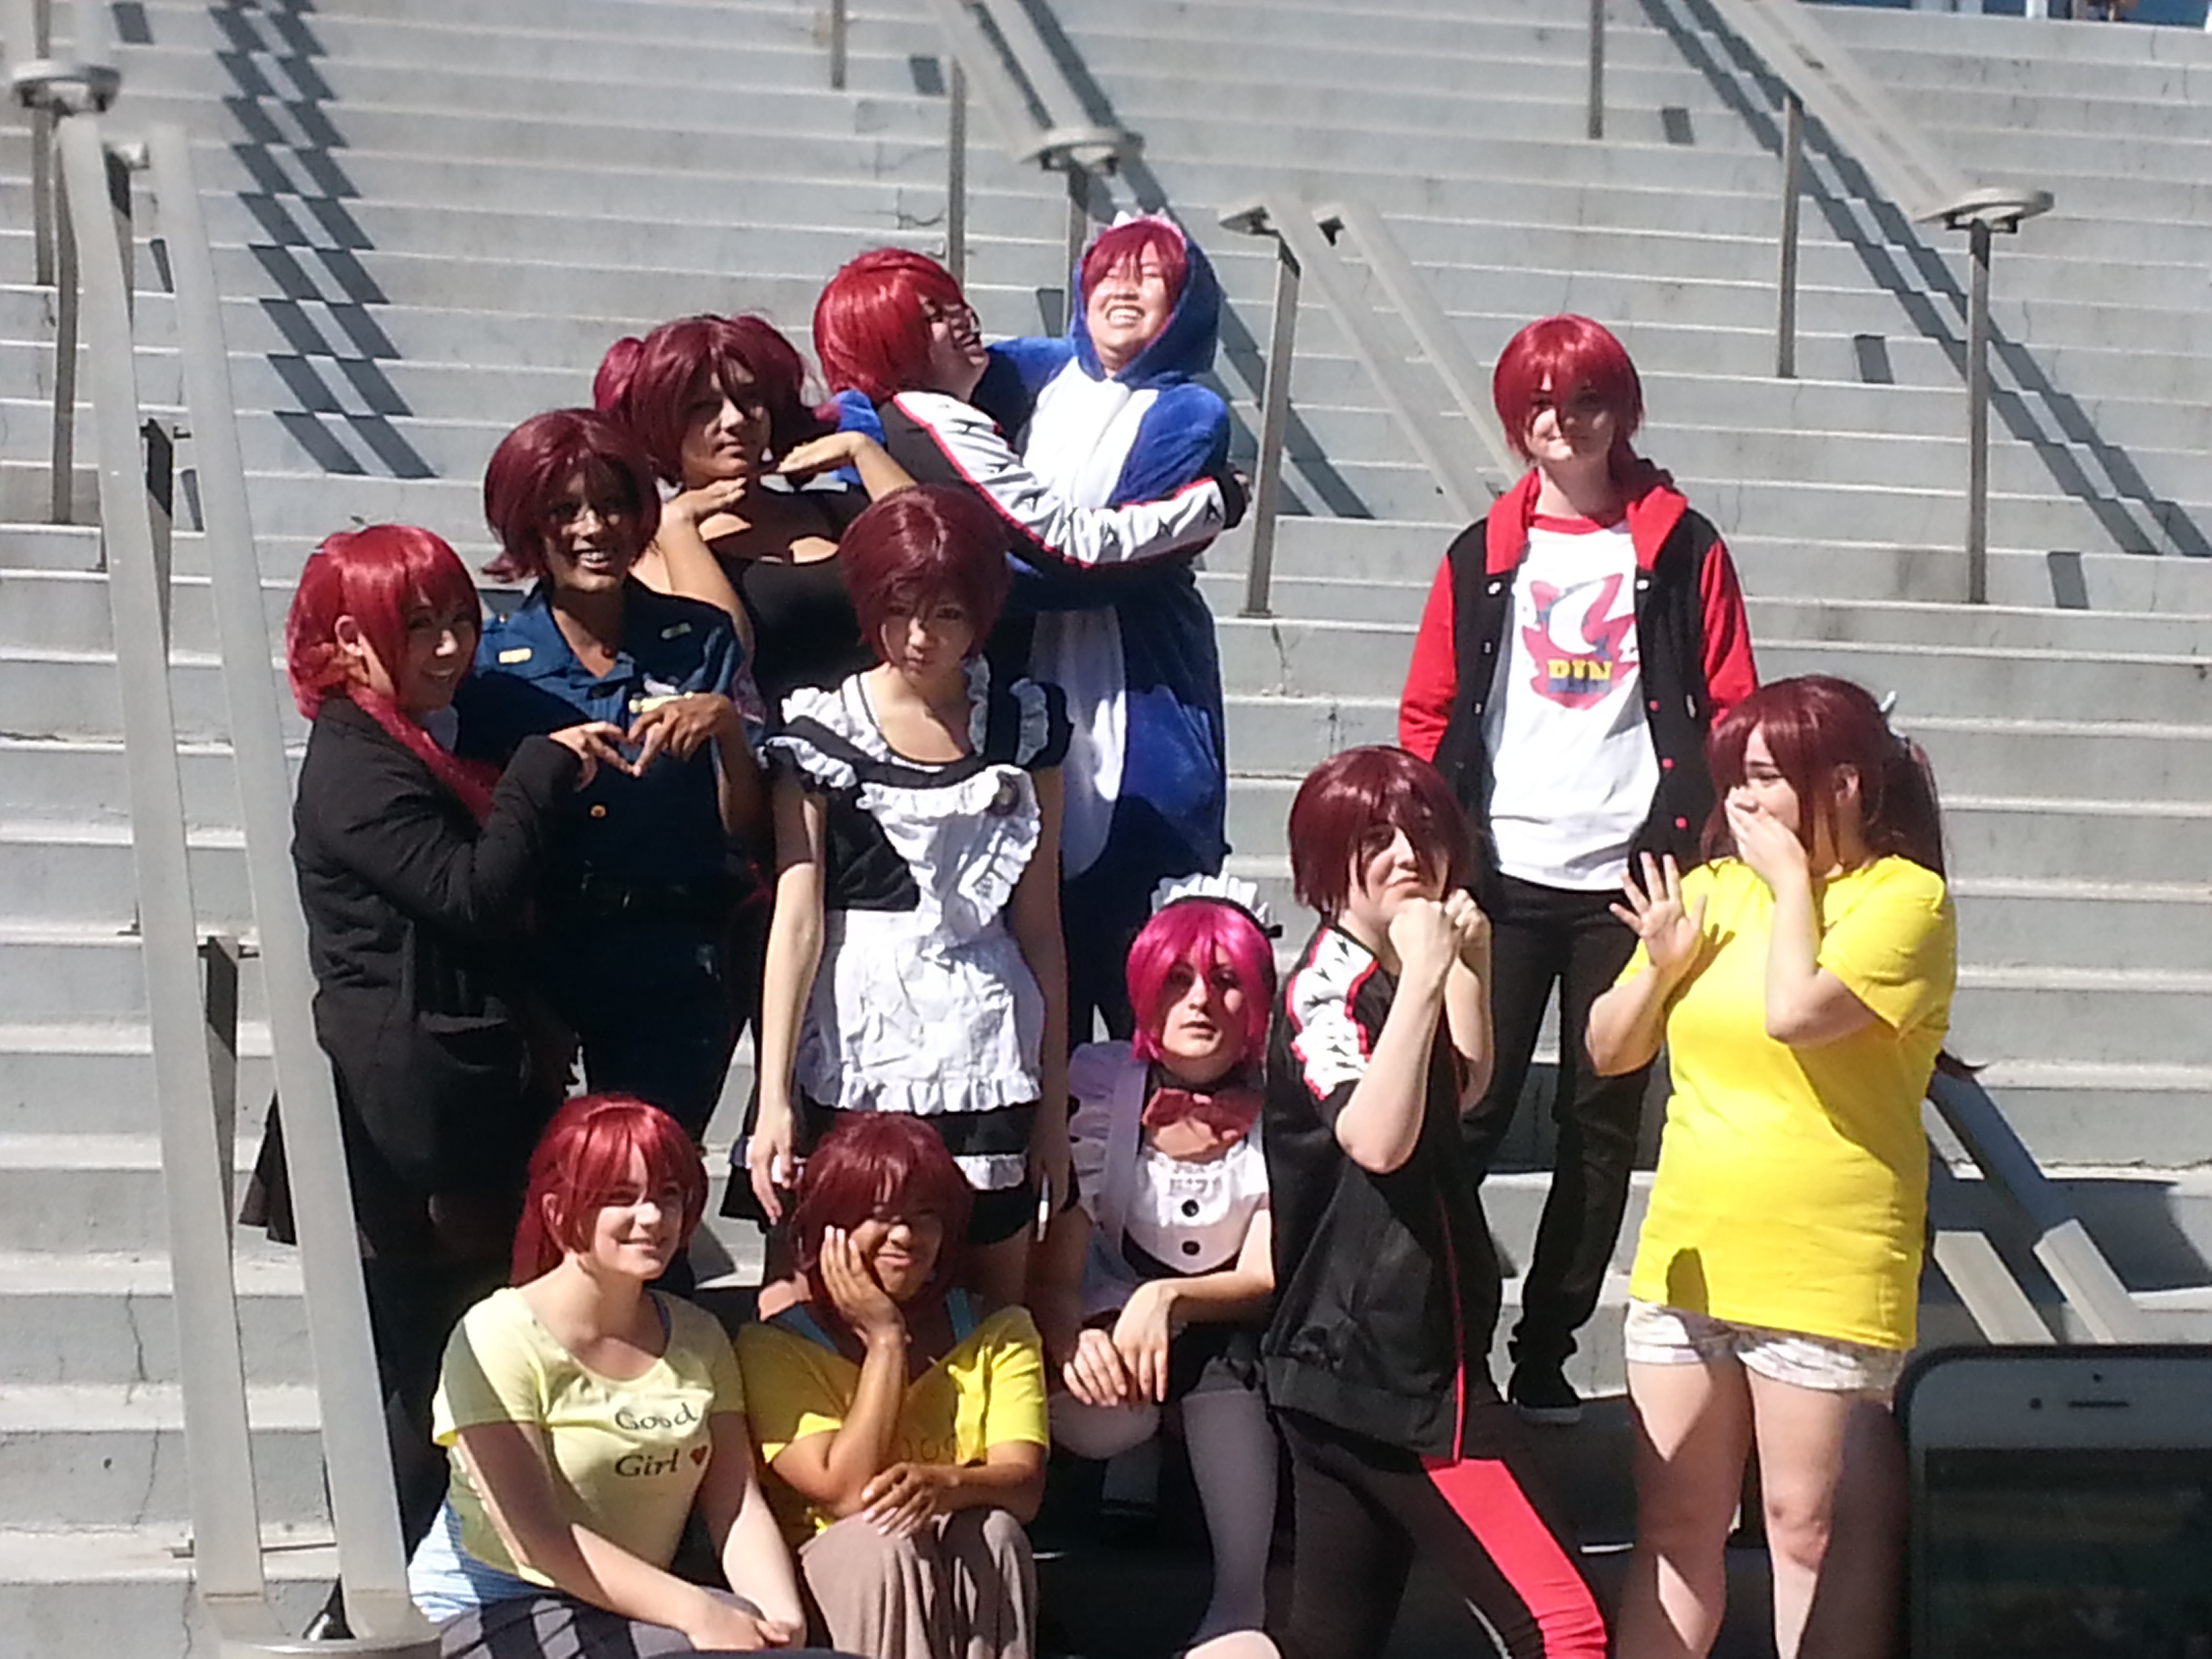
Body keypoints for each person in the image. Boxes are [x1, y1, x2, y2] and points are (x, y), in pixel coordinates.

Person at [1397, 313, 1756, 1425]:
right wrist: (1436, 844)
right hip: (1499, 871)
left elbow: (1731, 700)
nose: (1563, 423)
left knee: (1599, 1124)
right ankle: (1444, 1334)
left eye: (1587, 399)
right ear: (1516, 419)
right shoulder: (1480, 552)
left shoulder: (1682, 545)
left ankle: (1544, 1349)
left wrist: (1699, 837)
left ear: (1621, 409)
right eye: (1540, 404)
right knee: (1466, 1104)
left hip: (1631, 877)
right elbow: (1429, 710)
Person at [247, 524, 628, 1570]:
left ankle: (436, 1580)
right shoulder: (357, 765)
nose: (453, 647)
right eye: (419, 627)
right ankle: (381, 1589)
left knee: (457, 1363)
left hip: (448, 1099)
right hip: (404, 1124)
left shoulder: (407, 738)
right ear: (347, 640)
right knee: (416, 1373)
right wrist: (540, 770)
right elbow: (473, 895)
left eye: (462, 620)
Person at [1587, 674, 1955, 1659]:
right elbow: (1608, 1049)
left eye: (1763, 777)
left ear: (1842, 783)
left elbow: (1796, 1013)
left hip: (1825, 1267)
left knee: (1806, 1533)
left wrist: (1795, 885)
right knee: (1674, 1527)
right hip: (1692, 1256)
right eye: (1734, 779)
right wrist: (1663, 966)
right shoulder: (1711, 891)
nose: (1742, 800)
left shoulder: (1905, 900)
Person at [1263, 746, 1606, 1659]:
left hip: (1370, 1365)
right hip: (1389, 1376)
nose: (1407, 856)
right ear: (1324, 861)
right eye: (1374, 838)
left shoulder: (1396, 972)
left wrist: (1468, 966)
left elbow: (1462, 1090)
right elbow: (1376, 1139)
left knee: (1323, 1646)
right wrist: (1424, 974)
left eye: (1424, 834)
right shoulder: (1326, 990)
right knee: (1567, 1630)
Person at [747, 485, 1072, 1307]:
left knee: (993, 1295)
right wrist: (773, 1096)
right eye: (898, 610)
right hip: (855, 1037)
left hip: (987, 1045)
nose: (922, 637)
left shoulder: (1024, 727)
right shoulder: (821, 730)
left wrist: (1051, 1107)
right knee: (815, 1289)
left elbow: (1040, 925)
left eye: (948, 614)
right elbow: (796, 918)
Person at [406, 1092, 847, 1658]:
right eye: (620, 1197)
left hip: (631, 1609)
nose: (653, 1217)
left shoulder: (699, 1335)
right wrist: (697, 1612)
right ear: (559, 1210)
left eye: (669, 1195)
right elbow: (537, 1538)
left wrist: (782, 1620)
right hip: (494, 1609)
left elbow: (736, 1505)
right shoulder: (496, 1335)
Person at [454, 409, 766, 1156]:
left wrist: (726, 728)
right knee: (545, 1185)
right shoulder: (490, 664)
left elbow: (749, 827)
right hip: (546, 957)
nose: (593, 528)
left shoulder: (701, 640)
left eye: (612, 504)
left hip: (673, 957)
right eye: (563, 511)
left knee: (649, 1171)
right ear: (526, 526)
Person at [977, 216, 1237, 1039]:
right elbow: (908, 391)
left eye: (1150, 276)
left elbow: (1089, 569)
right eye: (1107, 273)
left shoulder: (1190, 412)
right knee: (1029, 1001)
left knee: (1140, 978)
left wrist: (970, 581)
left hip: (1139, 681)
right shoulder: (1032, 372)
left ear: (1184, 303)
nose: (1123, 290)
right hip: (1017, 682)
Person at [1031, 876, 1279, 1648]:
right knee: (1099, 1407)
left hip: (1244, 1332)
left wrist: (1167, 1299)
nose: (1201, 1001)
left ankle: (1241, 1601)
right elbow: (1054, 1277)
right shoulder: (1103, 1091)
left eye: (1227, 980)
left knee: (1224, 1374)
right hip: (1119, 1316)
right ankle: (1134, 1457)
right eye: (1177, 979)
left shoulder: (1285, 1102)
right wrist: (1075, 1338)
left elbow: (1263, 1276)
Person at [735, 1114, 1048, 1659]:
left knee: (994, 1532)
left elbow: (1024, 1488)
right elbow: (845, 1493)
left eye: (925, 1216)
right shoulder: (773, 1346)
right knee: (882, 1542)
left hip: (951, 1564)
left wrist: (945, 1483)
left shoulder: (999, 1330)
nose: (905, 1237)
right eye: (879, 1215)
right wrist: (885, 1339)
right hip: (840, 1576)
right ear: (829, 1227)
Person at [594, 314, 916, 709]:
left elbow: (944, 570)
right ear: (659, 421)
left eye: (750, 398)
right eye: (703, 407)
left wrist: (862, 450)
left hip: (897, 732)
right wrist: (678, 526)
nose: (735, 420)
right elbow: (728, 663)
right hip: (774, 744)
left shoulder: (835, 510)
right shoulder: (653, 550)